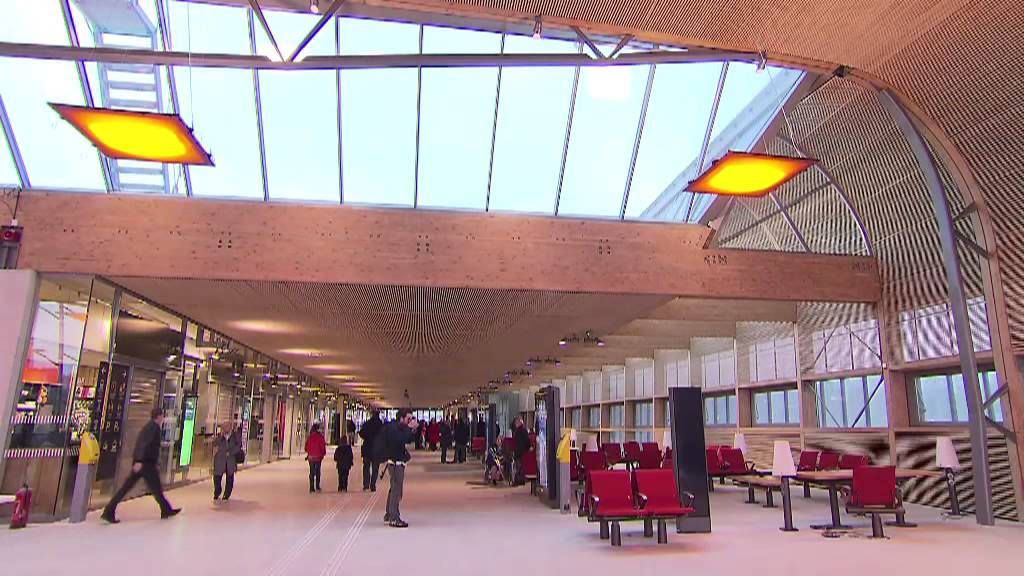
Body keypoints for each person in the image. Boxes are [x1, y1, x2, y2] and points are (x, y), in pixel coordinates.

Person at [101, 407, 180, 523]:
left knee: (151, 488)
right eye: (162, 416)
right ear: (159, 416)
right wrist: (139, 460)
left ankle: (166, 509)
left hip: (145, 463)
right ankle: (108, 511)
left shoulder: (150, 426)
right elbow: (143, 444)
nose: (163, 418)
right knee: (151, 488)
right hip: (145, 463)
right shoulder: (153, 428)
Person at [382, 409, 418, 528]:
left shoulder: (397, 427)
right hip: (395, 462)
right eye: (408, 419)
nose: (409, 421)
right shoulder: (393, 428)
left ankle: (389, 514)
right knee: (397, 490)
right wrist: (409, 429)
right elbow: (400, 439)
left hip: (396, 461)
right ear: (401, 418)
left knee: (394, 488)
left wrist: (412, 430)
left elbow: (408, 440)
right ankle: (394, 517)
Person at [210, 421, 241, 501]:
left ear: (230, 427)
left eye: (227, 426)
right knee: (217, 477)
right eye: (223, 427)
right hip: (220, 459)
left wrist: (231, 452)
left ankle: (226, 494)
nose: (225, 428)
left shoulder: (235, 436)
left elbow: (238, 446)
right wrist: (220, 436)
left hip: (230, 460)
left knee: (230, 478)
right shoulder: (220, 436)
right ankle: (217, 491)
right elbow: (214, 444)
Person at [359, 410, 383, 491]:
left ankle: (366, 484)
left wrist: (367, 438)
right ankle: (373, 485)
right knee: (375, 468)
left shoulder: (367, 424)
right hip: (377, 449)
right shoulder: (381, 425)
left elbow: (361, 433)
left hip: (367, 448)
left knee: (366, 467)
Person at [305, 423, 327, 493]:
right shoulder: (320, 437)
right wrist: (323, 453)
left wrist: (309, 452)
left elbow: (306, 447)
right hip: (318, 457)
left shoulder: (310, 437)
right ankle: (317, 486)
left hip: (311, 457)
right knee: (317, 471)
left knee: (311, 471)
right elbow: (322, 446)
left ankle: (311, 488)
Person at [512, 417, 531, 486]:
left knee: (519, 467)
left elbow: (526, 441)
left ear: (519, 422)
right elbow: (527, 441)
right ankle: (521, 480)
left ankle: (518, 480)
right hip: (522, 451)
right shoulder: (523, 430)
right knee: (520, 467)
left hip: (519, 452)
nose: (515, 424)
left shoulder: (519, 431)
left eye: (516, 423)